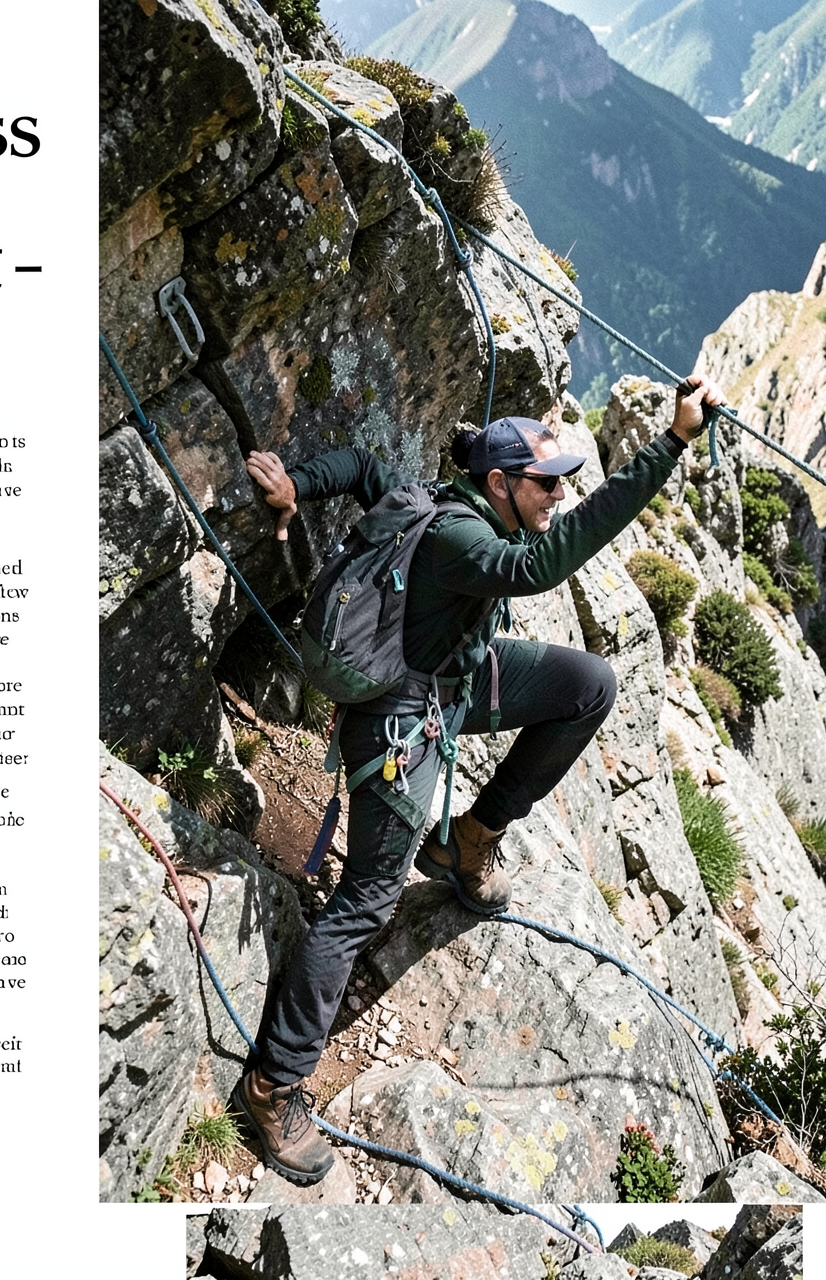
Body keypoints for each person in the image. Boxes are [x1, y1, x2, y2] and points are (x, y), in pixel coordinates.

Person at [232, 376, 725, 1184]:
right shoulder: (463, 539)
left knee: (588, 685)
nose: (559, 494)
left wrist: (299, 484)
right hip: (400, 717)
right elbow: (546, 563)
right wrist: (669, 444)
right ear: (499, 483)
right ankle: (272, 1084)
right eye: (546, 482)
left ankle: (469, 839)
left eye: (562, 480)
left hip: (453, 680)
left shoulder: (445, 495)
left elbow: (360, 466)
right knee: (366, 900)